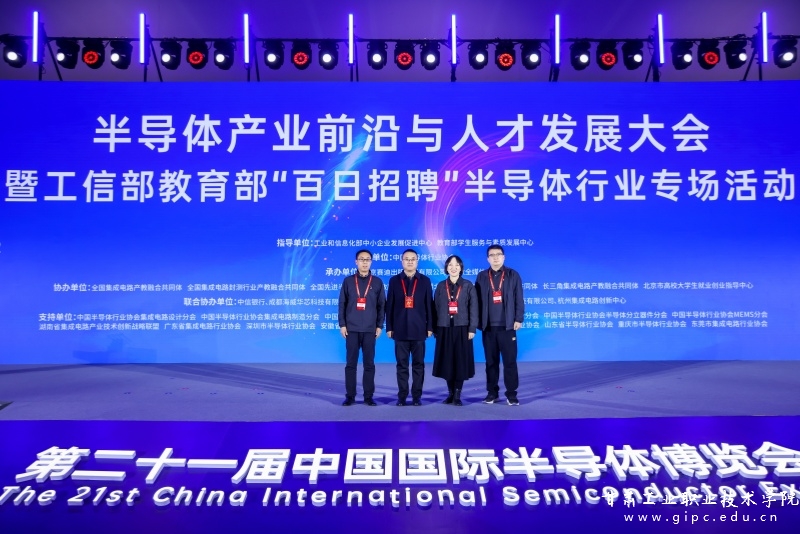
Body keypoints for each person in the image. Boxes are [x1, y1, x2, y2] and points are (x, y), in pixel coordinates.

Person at [475, 244, 524, 406]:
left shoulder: (512, 275)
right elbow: (477, 301)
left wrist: (518, 319)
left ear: (504, 257)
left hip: (508, 326)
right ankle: (492, 393)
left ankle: (511, 394)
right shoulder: (482, 276)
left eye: (498, 254)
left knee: (510, 362)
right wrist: (477, 322)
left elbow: (519, 298)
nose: (495, 257)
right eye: (492, 255)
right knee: (491, 362)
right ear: (487, 258)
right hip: (488, 327)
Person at [386, 249, 434, 406]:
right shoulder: (394, 281)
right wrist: (389, 327)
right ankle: (402, 396)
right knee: (402, 366)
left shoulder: (425, 281)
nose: (410, 261)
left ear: (417, 261)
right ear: (402, 261)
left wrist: (430, 326)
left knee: (418, 366)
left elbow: (429, 305)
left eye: (413, 259)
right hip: (399, 330)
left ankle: (416, 396)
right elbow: (389, 305)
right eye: (407, 259)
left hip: (419, 330)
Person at [338, 249, 385, 406]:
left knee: (369, 364)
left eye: (367, 259)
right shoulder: (348, 281)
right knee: (351, 364)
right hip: (351, 329)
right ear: (356, 262)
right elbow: (342, 304)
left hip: (370, 329)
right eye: (361, 259)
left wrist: (379, 325)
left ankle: (368, 396)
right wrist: (342, 325)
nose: (365, 262)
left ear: (371, 262)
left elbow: (381, 306)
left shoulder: (377, 282)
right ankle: (350, 396)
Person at [432, 255, 478, 407]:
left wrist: (472, 328)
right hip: (444, 328)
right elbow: (435, 308)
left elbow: (474, 308)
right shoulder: (441, 286)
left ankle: (458, 394)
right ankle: (450, 393)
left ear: (461, 267)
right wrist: (435, 327)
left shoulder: (468, 285)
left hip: (462, 328)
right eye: (450, 265)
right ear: (446, 267)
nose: (453, 267)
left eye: (456, 265)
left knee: (460, 362)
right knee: (447, 362)